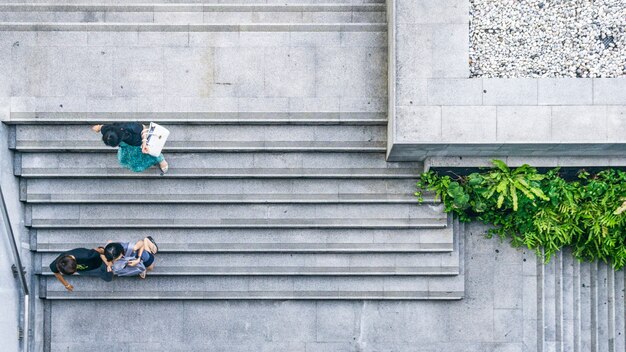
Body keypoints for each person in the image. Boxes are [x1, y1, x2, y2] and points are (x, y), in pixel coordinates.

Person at [91, 122, 168, 174]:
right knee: (126, 160)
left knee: (149, 154)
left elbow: (144, 127)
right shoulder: (108, 131)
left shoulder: (132, 128)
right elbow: (101, 127)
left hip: (139, 145)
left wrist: (144, 143)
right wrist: (98, 128)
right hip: (126, 147)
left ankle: (160, 159)